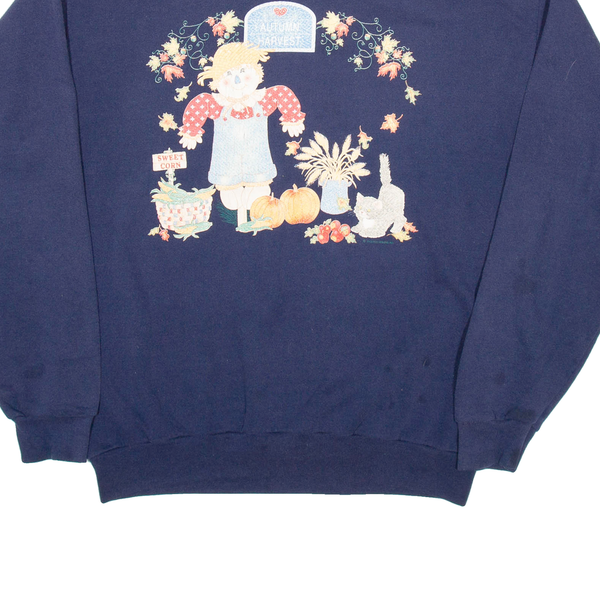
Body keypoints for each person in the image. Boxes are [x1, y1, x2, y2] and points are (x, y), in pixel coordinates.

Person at [179, 42, 306, 227]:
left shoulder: (260, 99)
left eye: (243, 72)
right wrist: (191, 130)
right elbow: (199, 104)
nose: (237, 81)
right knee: (230, 200)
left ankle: (249, 222)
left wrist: (292, 118)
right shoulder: (216, 103)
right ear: (217, 80)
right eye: (228, 75)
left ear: (256, 72)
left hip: (257, 161)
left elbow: (281, 93)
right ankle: (241, 222)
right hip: (226, 163)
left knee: (258, 195)